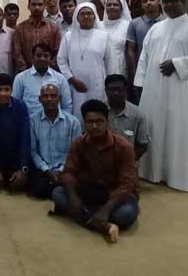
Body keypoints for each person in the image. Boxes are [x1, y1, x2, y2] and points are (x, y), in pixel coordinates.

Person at [134, 0, 188, 192]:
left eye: (173, 0)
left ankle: (179, 177)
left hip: (183, 93)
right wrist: (139, 84)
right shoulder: (156, 29)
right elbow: (144, 57)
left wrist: (177, 64)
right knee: (155, 129)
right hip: (154, 91)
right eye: (166, 1)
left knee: (180, 131)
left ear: (183, 1)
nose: (169, 5)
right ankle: (153, 172)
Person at [51, 100, 139, 244]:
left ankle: (87, 215)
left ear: (107, 122)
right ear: (84, 123)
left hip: (115, 195)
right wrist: (73, 197)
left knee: (125, 215)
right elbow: (68, 173)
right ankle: (105, 226)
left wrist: (106, 210)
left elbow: (127, 184)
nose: (94, 126)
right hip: (89, 191)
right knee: (57, 193)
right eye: (90, 122)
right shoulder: (79, 143)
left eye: (99, 121)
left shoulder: (124, 147)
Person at [57, 2, 114, 121]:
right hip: (74, 85)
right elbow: (61, 60)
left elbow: (110, 62)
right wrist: (72, 79)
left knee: (96, 115)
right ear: (77, 17)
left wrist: (111, 85)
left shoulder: (104, 36)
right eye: (82, 14)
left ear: (94, 16)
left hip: (97, 84)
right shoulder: (68, 36)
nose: (86, 16)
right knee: (76, 116)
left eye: (89, 13)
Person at [29, 84, 81, 199]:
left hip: (67, 168)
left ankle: (56, 186)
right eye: (45, 96)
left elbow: (76, 153)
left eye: (53, 96)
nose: (49, 99)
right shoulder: (33, 121)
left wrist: (61, 170)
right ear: (40, 99)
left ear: (59, 98)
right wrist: (47, 170)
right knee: (39, 189)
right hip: (43, 169)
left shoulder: (73, 122)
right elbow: (33, 151)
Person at [126, 0, 165, 102]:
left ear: (158, 1)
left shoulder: (167, 22)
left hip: (163, 72)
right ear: (141, 5)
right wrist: (134, 74)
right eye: (145, 1)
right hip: (142, 72)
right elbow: (131, 50)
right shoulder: (134, 23)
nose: (149, 3)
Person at [13, 43, 72, 117]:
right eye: (39, 55)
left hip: (55, 122)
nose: (42, 58)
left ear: (50, 58)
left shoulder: (60, 78)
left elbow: (66, 105)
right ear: (32, 57)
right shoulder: (21, 78)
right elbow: (15, 104)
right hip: (29, 122)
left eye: (46, 56)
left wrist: (64, 122)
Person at [104, 75, 150, 161]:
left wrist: (127, 162)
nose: (116, 93)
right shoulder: (98, 111)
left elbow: (143, 144)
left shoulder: (137, 114)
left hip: (128, 164)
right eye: (112, 89)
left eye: (119, 89)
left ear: (125, 90)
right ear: (106, 91)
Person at [13, 0, 61, 73]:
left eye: (40, 4)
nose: (37, 7)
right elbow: (17, 52)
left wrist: (49, 70)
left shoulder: (54, 28)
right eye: (34, 4)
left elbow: (57, 51)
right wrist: (25, 71)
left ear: (45, 6)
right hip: (26, 73)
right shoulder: (20, 28)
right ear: (28, 6)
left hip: (49, 73)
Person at [102, 0, 131, 77]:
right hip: (102, 67)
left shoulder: (128, 25)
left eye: (115, 5)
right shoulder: (98, 26)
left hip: (121, 66)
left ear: (122, 8)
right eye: (109, 5)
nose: (112, 7)